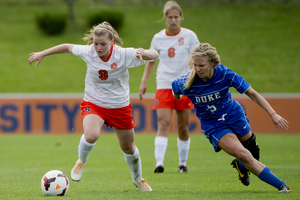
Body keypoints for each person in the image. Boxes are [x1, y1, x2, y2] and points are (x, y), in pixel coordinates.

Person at [28, 21, 159, 191]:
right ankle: (81, 162)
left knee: (128, 147)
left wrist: (145, 53)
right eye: (96, 43)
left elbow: (155, 54)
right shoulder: (88, 51)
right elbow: (67, 47)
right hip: (94, 102)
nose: (98, 47)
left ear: (111, 42)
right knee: (91, 135)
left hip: (119, 106)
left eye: (103, 44)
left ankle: (137, 178)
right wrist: (43, 53)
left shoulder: (123, 54)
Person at [172, 43, 291, 193]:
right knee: (244, 155)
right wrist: (180, 98)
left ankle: (240, 166)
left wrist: (273, 114)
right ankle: (282, 187)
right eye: (195, 65)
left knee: (253, 155)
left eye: (201, 65)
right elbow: (176, 92)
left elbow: (252, 93)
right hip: (214, 125)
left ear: (212, 63)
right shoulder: (184, 82)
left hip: (234, 115)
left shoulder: (225, 74)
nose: (197, 69)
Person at [139, 0, 200, 173]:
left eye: (176, 17)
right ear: (165, 18)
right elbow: (151, 61)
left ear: (181, 17)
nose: (173, 20)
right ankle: (159, 163)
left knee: (183, 127)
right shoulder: (158, 37)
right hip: (164, 85)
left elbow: (198, 58)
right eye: (170, 17)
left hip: (184, 85)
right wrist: (144, 81)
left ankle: (182, 163)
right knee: (163, 123)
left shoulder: (189, 36)